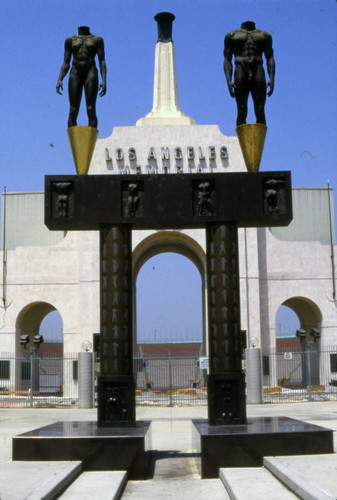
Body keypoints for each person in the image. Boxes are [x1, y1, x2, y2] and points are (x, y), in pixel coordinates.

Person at [223, 21, 275, 127]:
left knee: (260, 109)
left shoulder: (264, 36)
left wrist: (272, 78)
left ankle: (259, 142)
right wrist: (228, 80)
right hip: (241, 70)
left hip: (258, 70)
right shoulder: (232, 35)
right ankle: (241, 142)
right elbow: (227, 59)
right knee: (241, 109)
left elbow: (270, 57)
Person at [56, 26, 107, 129]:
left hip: (90, 73)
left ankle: (91, 143)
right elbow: (66, 62)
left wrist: (104, 80)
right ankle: (74, 143)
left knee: (91, 109)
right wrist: (60, 79)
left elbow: (102, 61)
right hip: (75, 73)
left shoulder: (97, 40)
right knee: (73, 110)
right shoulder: (70, 41)